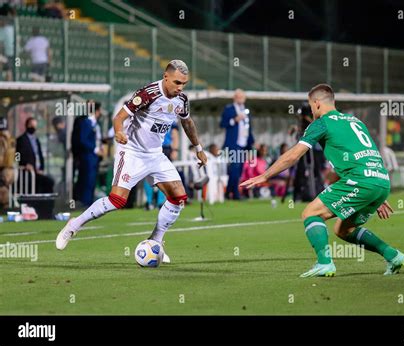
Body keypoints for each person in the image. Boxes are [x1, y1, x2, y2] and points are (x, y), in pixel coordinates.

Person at [241, 84, 404, 277]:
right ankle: (393, 255)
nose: (311, 111)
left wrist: (264, 175)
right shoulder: (355, 121)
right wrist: (375, 191)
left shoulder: (321, 123)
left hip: (362, 181)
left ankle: (324, 263)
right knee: (345, 229)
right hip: (380, 180)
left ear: (317, 103)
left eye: (311, 106)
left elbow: (294, 155)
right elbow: (365, 155)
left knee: (310, 213)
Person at [56, 60, 207, 265]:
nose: (180, 87)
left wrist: (198, 148)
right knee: (117, 201)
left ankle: (156, 241)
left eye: (184, 84)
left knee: (178, 197)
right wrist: (119, 131)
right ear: (165, 77)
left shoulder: (181, 99)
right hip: (132, 153)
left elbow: (187, 122)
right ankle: (74, 225)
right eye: (177, 82)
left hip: (155, 155)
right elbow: (119, 117)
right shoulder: (147, 94)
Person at [220, 89, 254, 200]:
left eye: (242, 96)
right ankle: (235, 194)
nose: (240, 98)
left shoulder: (246, 110)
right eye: (238, 96)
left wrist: (251, 145)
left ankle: (229, 192)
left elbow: (249, 129)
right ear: (234, 97)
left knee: (239, 170)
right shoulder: (229, 109)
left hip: (244, 144)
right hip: (233, 144)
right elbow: (223, 124)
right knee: (235, 168)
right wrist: (234, 120)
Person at [15, 117, 54, 193]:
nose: (33, 127)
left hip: (38, 171)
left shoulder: (36, 140)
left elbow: (40, 155)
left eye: (35, 125)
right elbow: (17, 155)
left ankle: (46, 204)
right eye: (31, 125)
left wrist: (41, 168)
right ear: (27, 126)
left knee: (48, 183)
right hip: (27, 172)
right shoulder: (21, 140)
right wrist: (24, 164)